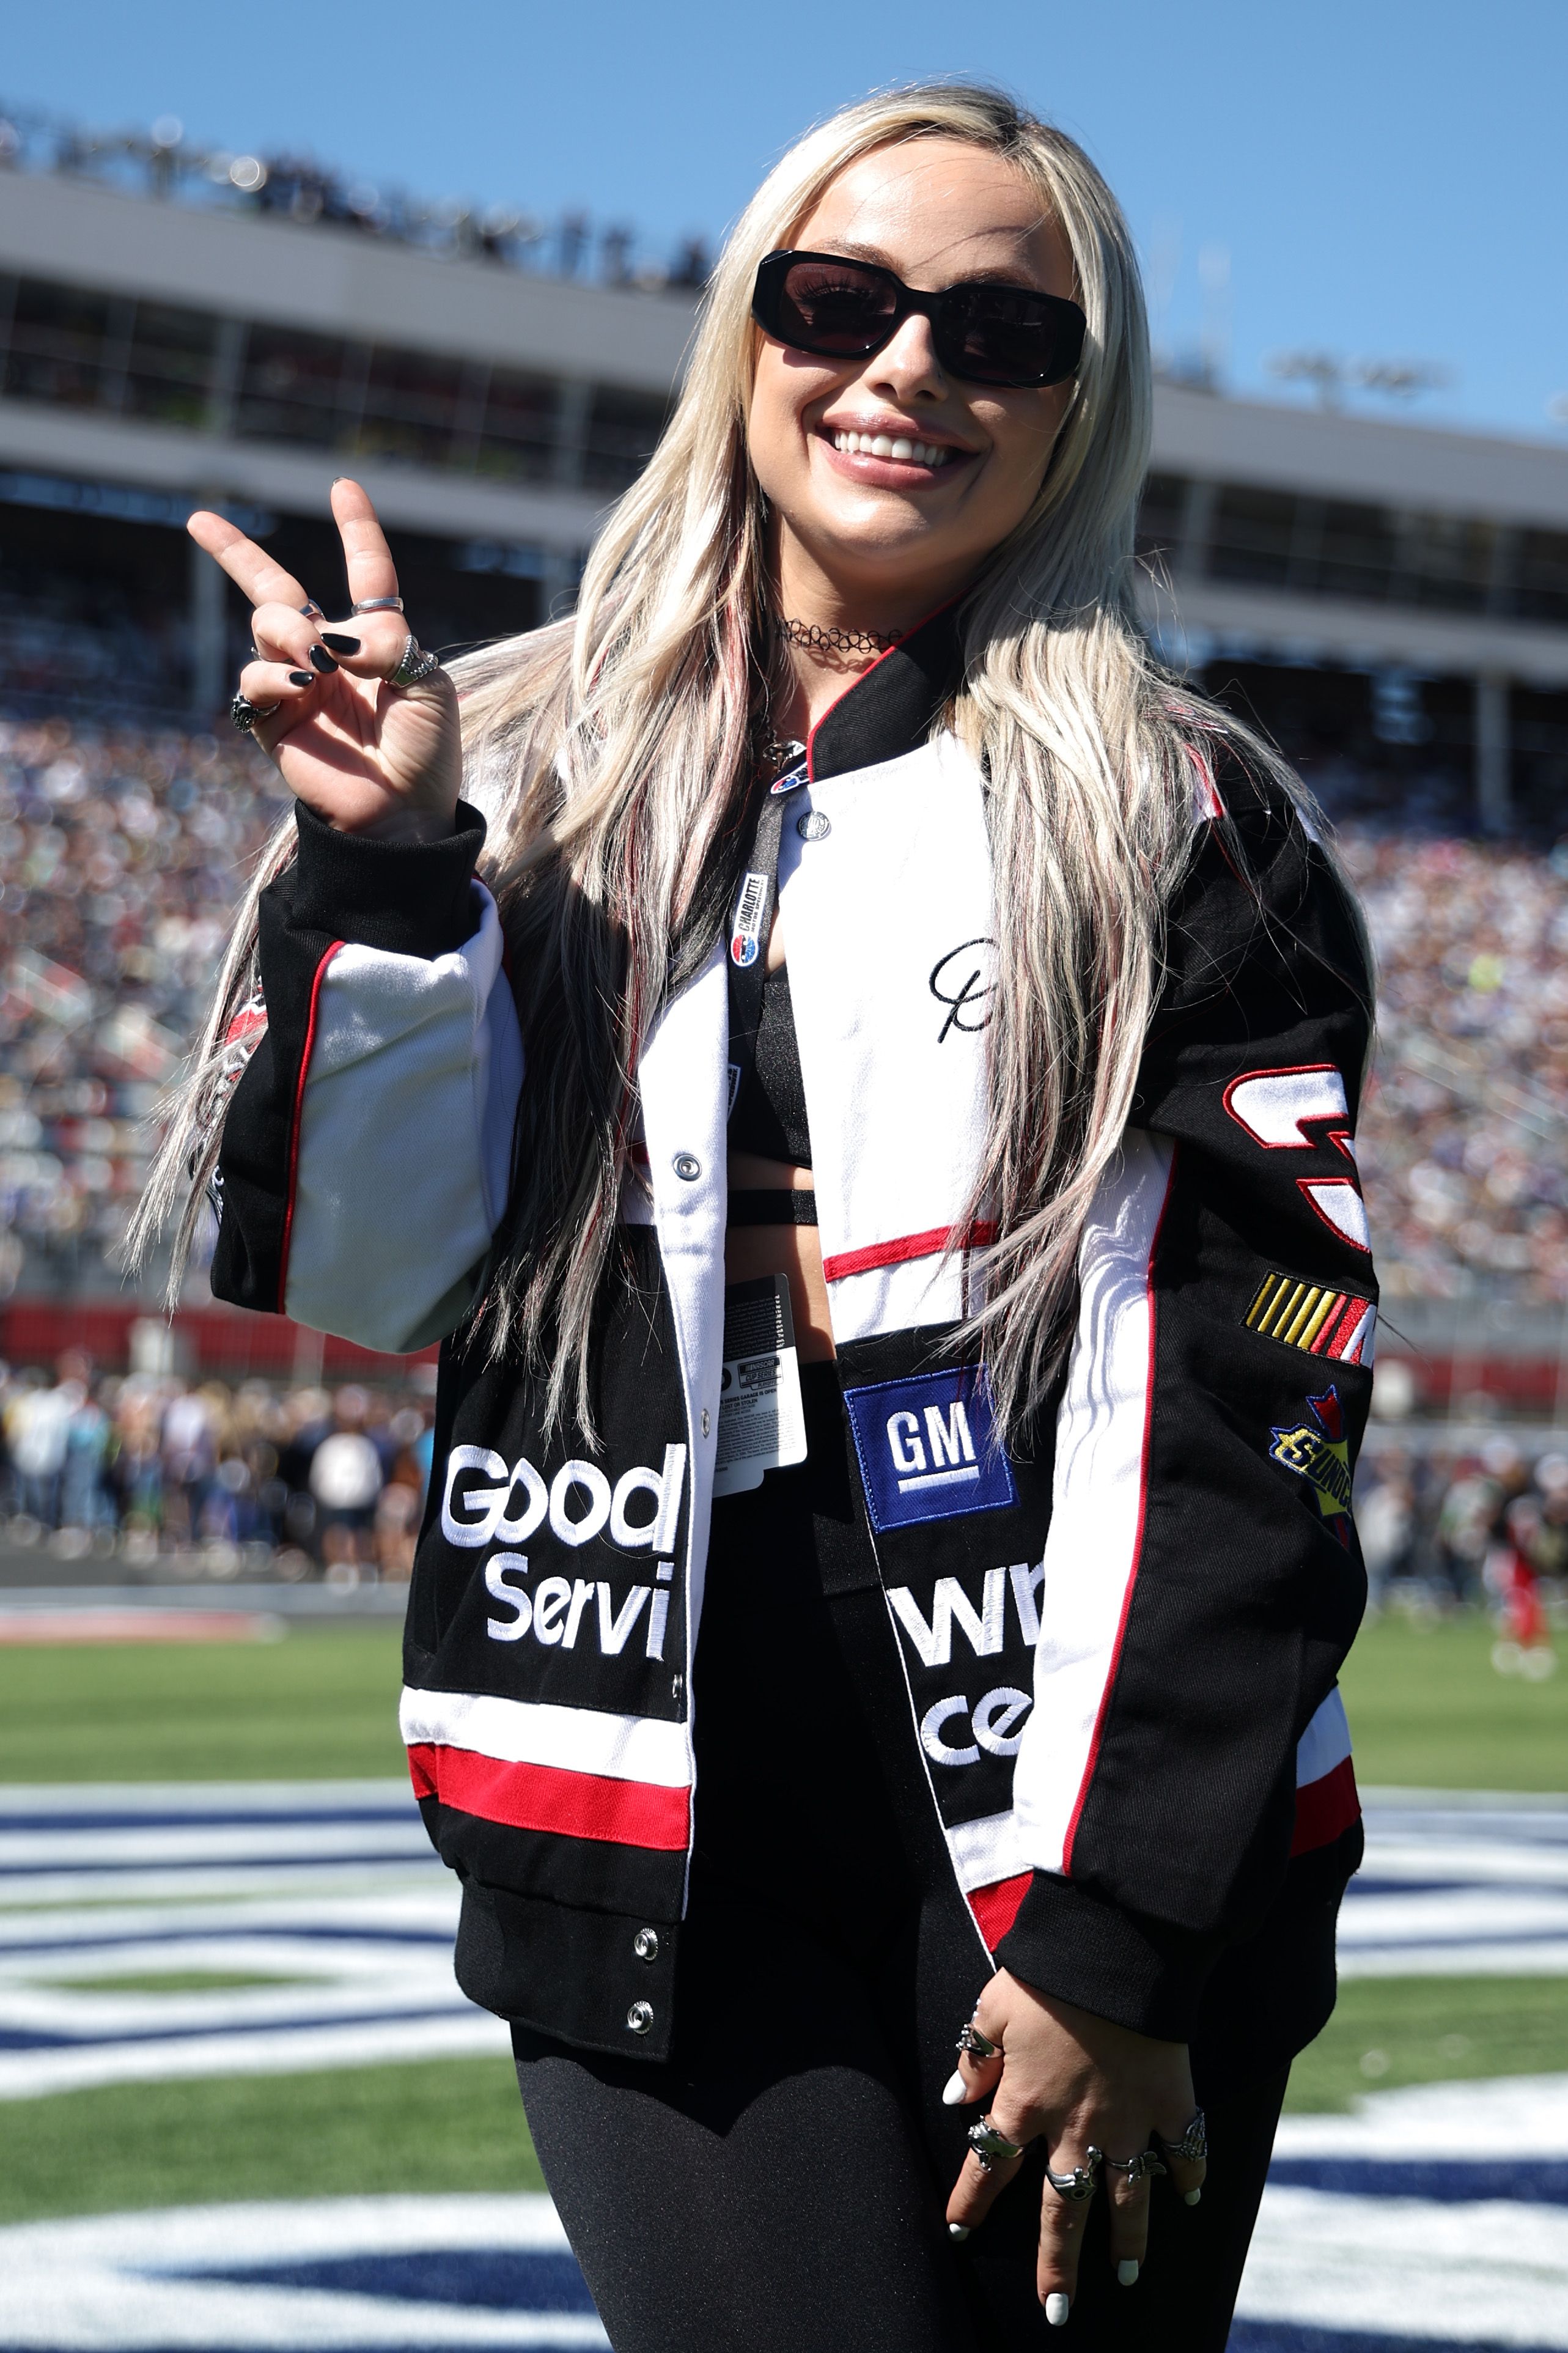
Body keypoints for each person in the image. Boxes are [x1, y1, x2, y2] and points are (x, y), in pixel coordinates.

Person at [136, 85, 1376, 2353]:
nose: (908, 367)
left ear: (1077, 405)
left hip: (1075, 1776)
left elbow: (1254, 1387)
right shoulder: (505, 750)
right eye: (839, 300)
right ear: (747, 331)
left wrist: (1120, 1925)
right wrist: (388, 873)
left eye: (1000, 331)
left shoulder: (1183, 813)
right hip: (625, 1739)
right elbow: (364, 1273)